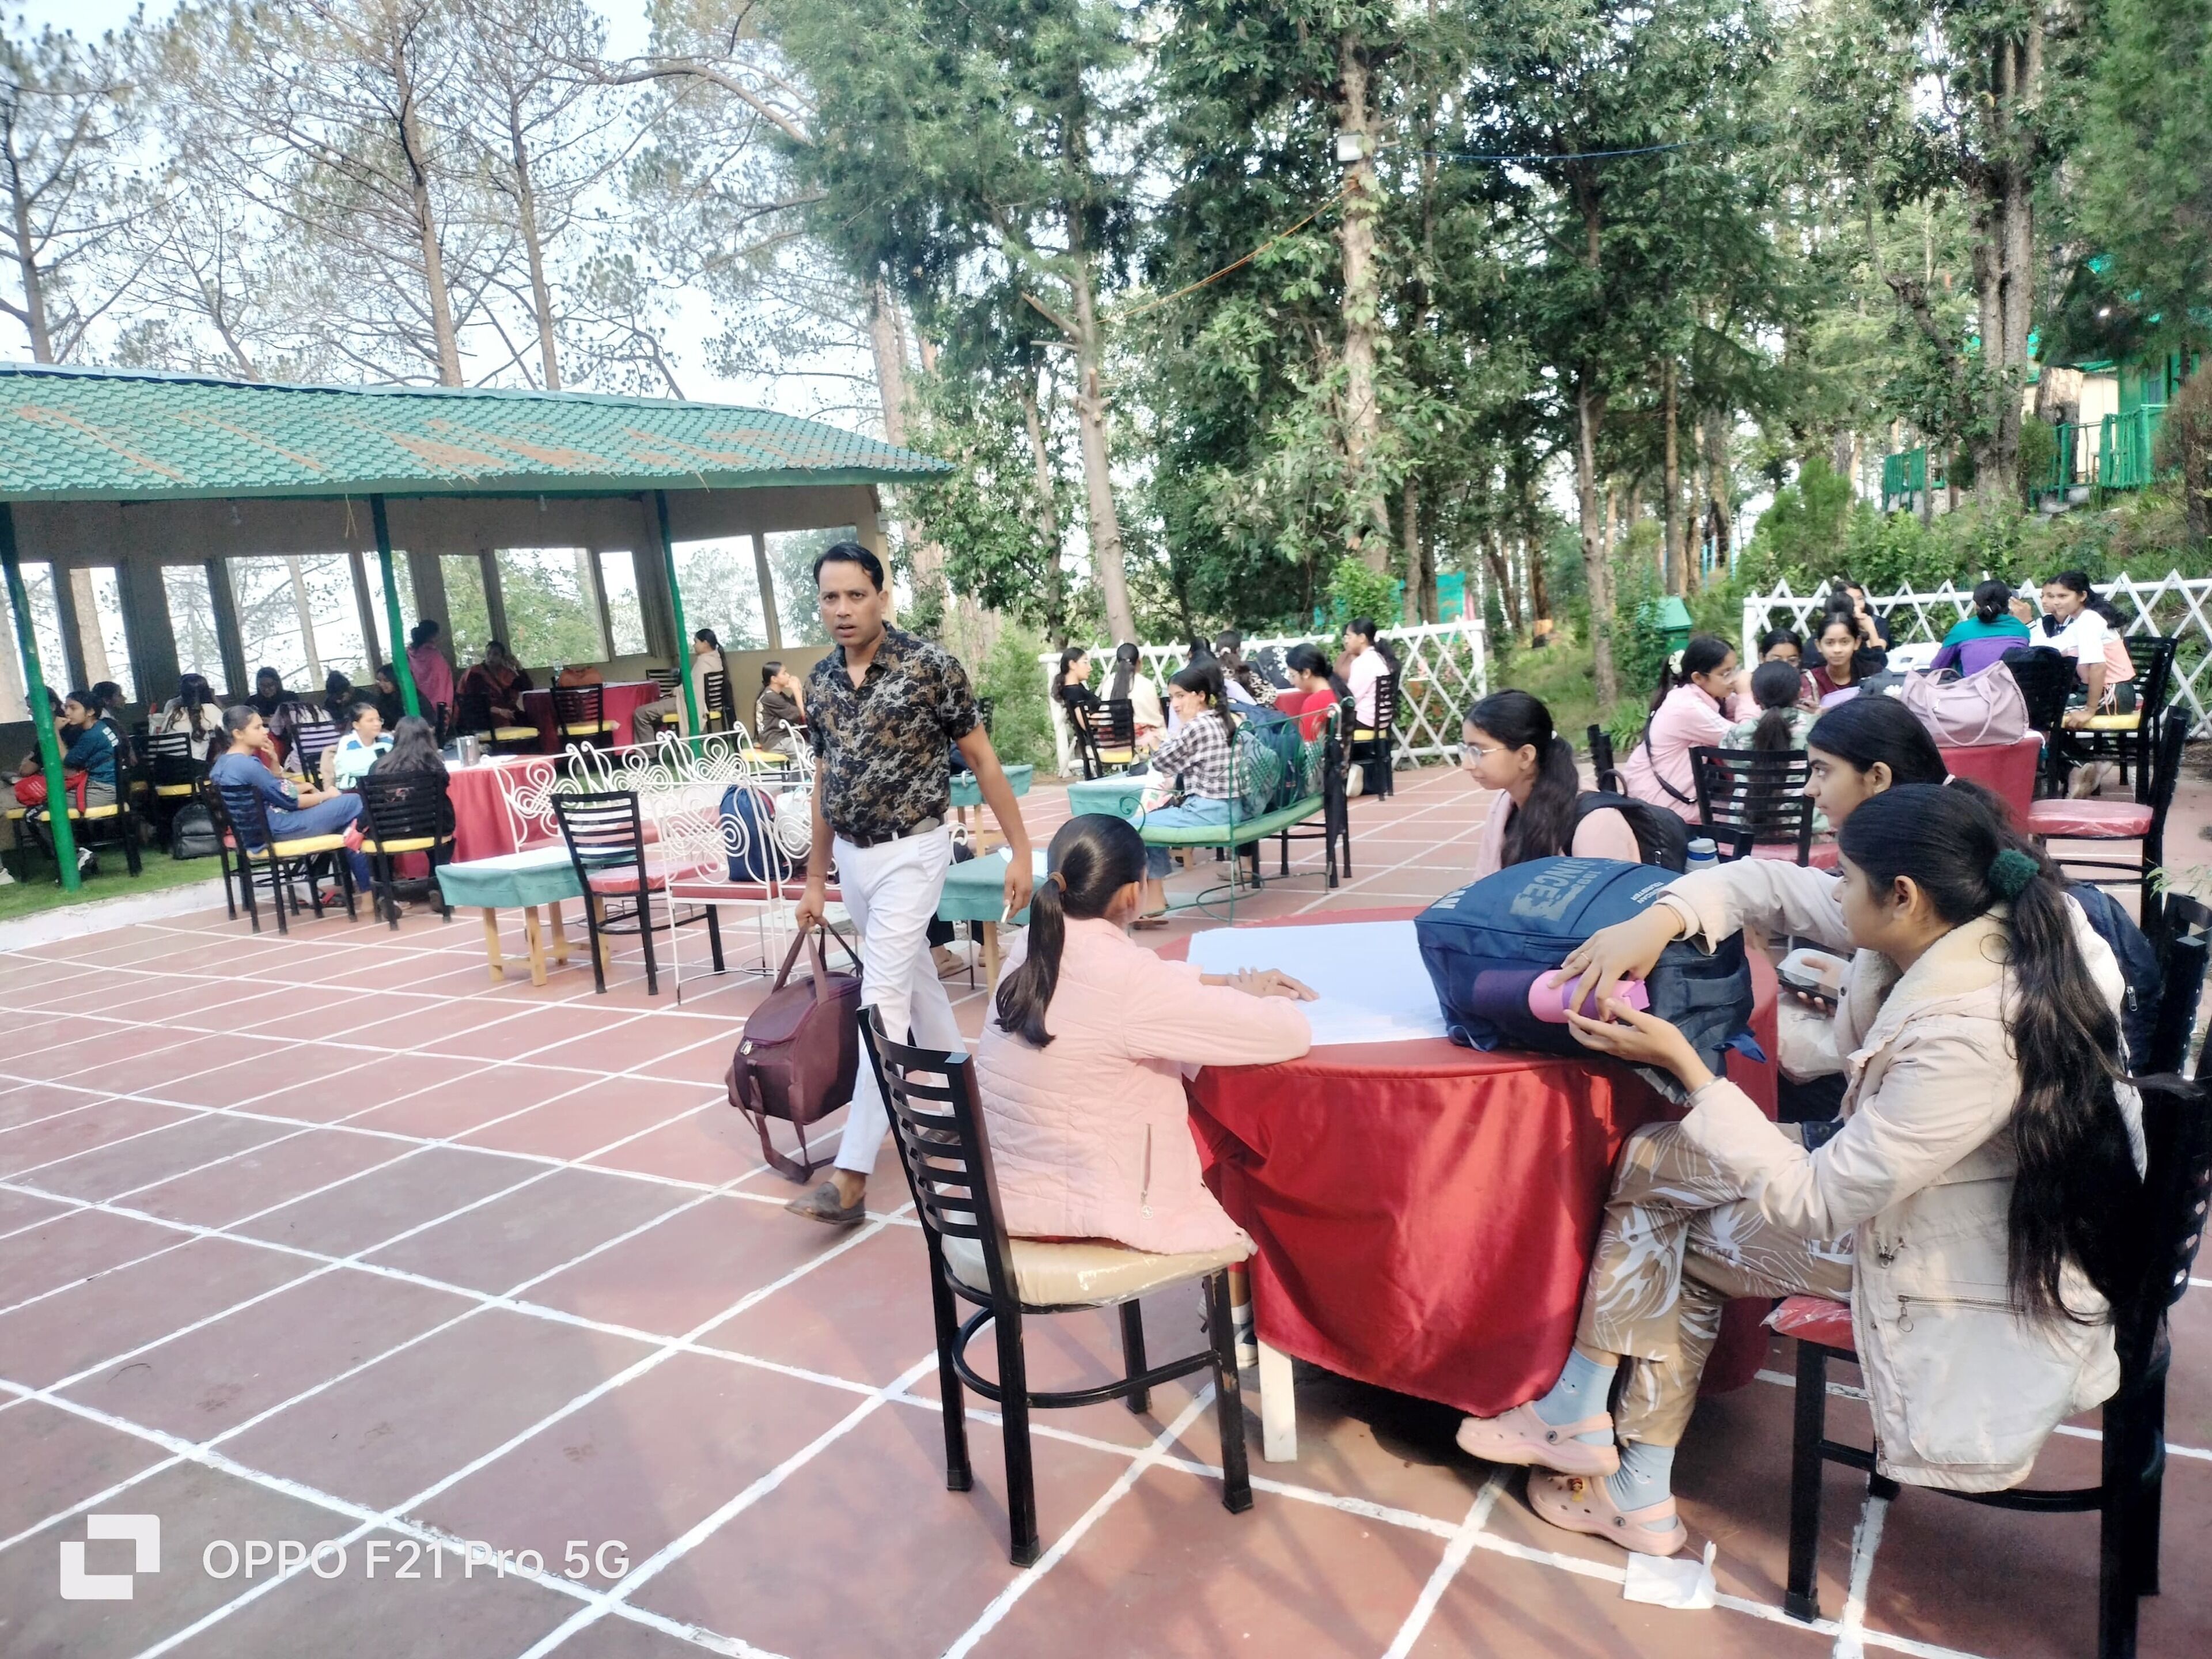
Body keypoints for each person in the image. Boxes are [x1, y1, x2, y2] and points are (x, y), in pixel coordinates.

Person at [1460, 785, 2142, 1556]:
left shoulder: (1971, 1037)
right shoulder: (1996, 918)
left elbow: (1813, 1201)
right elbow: (1768, 884)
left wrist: (1688, 1067)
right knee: (1653, 1156)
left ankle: (1634, 1485)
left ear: (1904, 896)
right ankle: (1582, 1415)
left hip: (1961, 1262)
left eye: (1845, 878)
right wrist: (1658, 919)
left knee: (1680, 1239)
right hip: (1948, 1195)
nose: (1832, 885)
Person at [787, 541, 1033, 1227]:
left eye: (855, 595)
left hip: (916, 852)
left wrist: (1020, 851)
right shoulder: (823, 683)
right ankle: (974, 1104)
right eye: (830, 597)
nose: (842, 609)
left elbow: (982, 760)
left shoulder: (931, 668)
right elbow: (823, 779)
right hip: (856, 866)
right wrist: (816, 878)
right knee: (916, 986)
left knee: (883, 996)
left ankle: (853, 1173)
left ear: (881, 595)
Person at [974, 813, 1315, 1253]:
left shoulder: (1033, 944)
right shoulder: (1128, 983)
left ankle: (1235, 1294)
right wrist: (1257, 998)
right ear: (1136, 891)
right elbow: (1287, 1034)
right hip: (1081, 1206)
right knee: (1243, 1126)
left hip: (1006, 1192)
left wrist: (1223, 981)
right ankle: (1244, 1291)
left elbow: (1142, 987)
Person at [1464, 691, 1642, 877]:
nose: (1466, 765)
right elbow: (1482, 889)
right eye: (1466, 750)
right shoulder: (1503, 807)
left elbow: (1610, 904)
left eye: (1479, 752)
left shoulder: (1596, 824)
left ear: (1525, 756)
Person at [208, 705, 373, 893]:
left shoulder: (221, 764)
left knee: (347, 824)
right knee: (354, 803)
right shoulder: (247, 765)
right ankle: (369, 888)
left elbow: (276, 789)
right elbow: (290, 800)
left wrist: (274, 760)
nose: (265, 731)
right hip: (280, 828)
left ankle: (320, 880)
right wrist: (327, 795)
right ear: (238, 733)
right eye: (258, 728)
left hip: (256, 833)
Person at [1132, 661, 1241, 922]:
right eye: (1171, 697)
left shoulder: (1197, 726)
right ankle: (1154, 900)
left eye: (1180, 696)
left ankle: (1153, 900)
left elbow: (1161, 763)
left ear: (1200, 696)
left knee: (1135, 825)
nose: (1175, 704)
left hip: (1208, 812)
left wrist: (1175, 732)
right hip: (1233, 809)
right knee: (1153, 817)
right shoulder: (1222, 718)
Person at [1618, 635, 1738, 821]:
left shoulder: (1688, 695)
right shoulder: (1688, 708)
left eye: (1735, 670)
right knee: (1742, 818)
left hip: (1650, 796)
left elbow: (1734, 708)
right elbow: (1747, 740)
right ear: (1698, 678)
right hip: (1660, 807)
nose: (1734, 680)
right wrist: (1747, 694)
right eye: (1725, 674)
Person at [28, 690, 122, 874]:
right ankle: (80, 855)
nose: (68, 712)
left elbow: (67, 761)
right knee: (45, 808)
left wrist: (54, 729)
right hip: (107, 787)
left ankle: (75, 855)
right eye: (66, 707)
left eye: (73, 708)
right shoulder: (99, 728)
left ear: (90, 712)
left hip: (103, 791)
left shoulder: (92, 735)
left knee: (37, 813)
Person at [2039, 570, 2135, 726]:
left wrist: (2089, 711)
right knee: (2038, 705)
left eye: (2063, 596)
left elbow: (2098, 666)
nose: (2056, 602)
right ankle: (2069, 750)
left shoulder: (2089, 621)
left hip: (2113, 693)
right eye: (2053, 596)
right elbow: (2050, 647)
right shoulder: (2078, 623)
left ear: (2082, 596)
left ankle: (2059, 750)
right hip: (2103, 692)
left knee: (2040, 710)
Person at [627, 629, 717, 744]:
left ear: (705, 643)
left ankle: (649, 756)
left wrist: (675, 691)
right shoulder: (716, 659)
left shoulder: (704, 663)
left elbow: (693, 690)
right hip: (702, 702)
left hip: (688, 702)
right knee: (655, 712)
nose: (694, 645)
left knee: (640, 713)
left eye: (696, 642)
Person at [1930, 579, 2032, 676]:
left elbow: (1937, 668)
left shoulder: (1961, 631)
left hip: (1972, 692)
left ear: (1976, 605)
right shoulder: (2022, 630)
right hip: (2011, 692)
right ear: (2008, 603)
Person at [1726, 659, 1816, 755]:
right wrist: (1818, 717)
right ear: (1800, 694)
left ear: (1755, 699)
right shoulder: (1816, 730)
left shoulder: (1736, 736)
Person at [1105, 642, 1165, 747]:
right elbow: (1154, 719)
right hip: (1140, 743)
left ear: (1119, 663)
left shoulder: (1108, 683)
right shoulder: (1146, 684)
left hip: (1111, 741)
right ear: (1139, 662)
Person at [156, 673, 228, 760]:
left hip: (167, 769)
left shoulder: (173, 712)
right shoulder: (209, 709)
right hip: (194, 767)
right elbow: (229, 731)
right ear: (206, 692)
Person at [1806, 609, 1874, 701]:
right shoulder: (1810, 681)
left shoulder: (1873, 674)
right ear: (1819, 645)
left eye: (1845, 642)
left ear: (1857, 643)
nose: (1837, 650)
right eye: (1830, 643)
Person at [462, 639, 534, 724]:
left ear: (502, 657)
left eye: (496, 654)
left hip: (508, 711)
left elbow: (527, 687)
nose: (491, 657)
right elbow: (476, 702)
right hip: (486, 714)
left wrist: (518, 666)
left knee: (531, 719)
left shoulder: (506, 673)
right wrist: (500, 711)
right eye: (488, 653)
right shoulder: (476, 673)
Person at [325, 701, 392, 789]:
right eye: (370, 721)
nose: (377, 724)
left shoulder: (388, 740)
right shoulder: (348, 743)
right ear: (357, 725)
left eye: (379, 720)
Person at [406, 620, 456, 724]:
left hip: (416, 702)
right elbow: (442, 683)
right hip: (437, 705)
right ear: (433, 636)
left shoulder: (409, 654)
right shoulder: (435, 657)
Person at [1827, 575, 1895, 649]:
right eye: (1850, 599)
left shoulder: (1877, 622)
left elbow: (1879, 650)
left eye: (1860, 599)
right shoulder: (1831, 624)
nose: (1857, 604)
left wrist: (1869, 627)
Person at [755, 659, 808, 754]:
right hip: (777, 742)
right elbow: (801, 715)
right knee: (811, 752)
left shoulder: (774, 694)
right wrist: (796, 690)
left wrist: (798, 689)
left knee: (814, 746)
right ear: (774, 679)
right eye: (784, 673)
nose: (788, 676)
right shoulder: (771, 697)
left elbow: (795, 708)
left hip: (781, 739)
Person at [1214, 630, 1275, 707]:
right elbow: (1268, 695)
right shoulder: (1243, 669)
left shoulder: (1211, 669)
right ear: (1238, 650)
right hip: (1247, 714)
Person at [369, 665, 406, 730]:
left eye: (386, 680)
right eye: (379, 681)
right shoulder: (383, 699)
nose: (382, 684)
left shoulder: (412, 698)